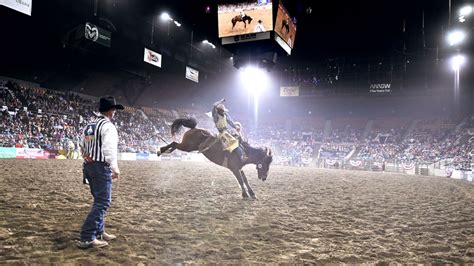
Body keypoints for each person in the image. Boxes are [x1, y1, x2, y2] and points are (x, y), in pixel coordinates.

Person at [77, 96, 124, 249]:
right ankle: (87, 237)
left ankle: (99, 231)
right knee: (103, 202)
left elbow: (81, 144)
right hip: (100, 167)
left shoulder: (89, 125)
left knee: (99, 200)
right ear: (111, 111)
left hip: (89, 166)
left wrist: (87, 157)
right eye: (114, 110)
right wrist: (114, 167)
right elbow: (109, 149)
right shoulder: (108, 126)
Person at [211, 98, 246, 162]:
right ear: (218, 110)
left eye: (223, 110)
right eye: (222, 110)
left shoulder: (225, 115)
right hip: (222, 133)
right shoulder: (216, 116)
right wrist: (221, 101)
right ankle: (234, 157)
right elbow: (214, 106)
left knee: (238, 138)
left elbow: (230, 122)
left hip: (227, 131)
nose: (223, 111)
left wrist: (236, 127)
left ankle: (242, 153)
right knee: (234, 141)